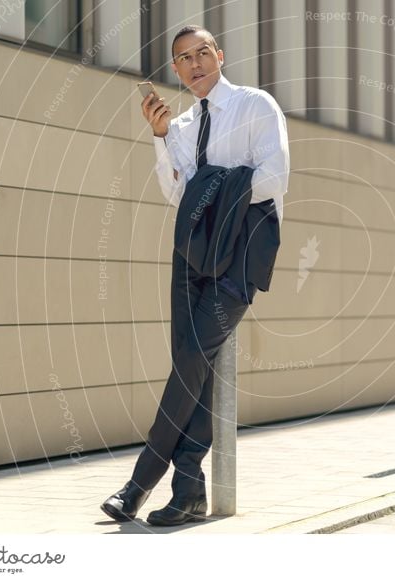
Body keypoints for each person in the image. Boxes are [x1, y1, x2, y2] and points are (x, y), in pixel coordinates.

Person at [100, 24, 289, 527]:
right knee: (192, 363)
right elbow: (174, 195)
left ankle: (137, 486)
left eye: (203, 53)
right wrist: (161, 137)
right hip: (191, 253)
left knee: (190, 360)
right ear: (177, 70)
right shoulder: (179, 127)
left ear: (219, 56)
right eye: (184, 58)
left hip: (242, 250)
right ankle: (188, 494)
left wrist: (210, 185)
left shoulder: (256, 106)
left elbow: (274, 178)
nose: (195, 63)